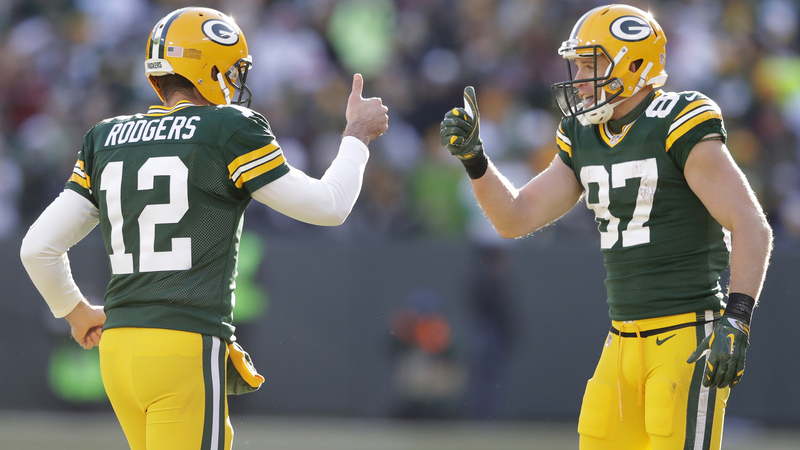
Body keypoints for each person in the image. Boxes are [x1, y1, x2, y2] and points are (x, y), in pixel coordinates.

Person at [20, 6, 387, 450]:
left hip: (118, 351)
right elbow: (329, 207)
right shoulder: (227, 129)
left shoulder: (105, 136)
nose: (236, 82)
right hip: (184, 345)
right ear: (207, 67)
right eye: (231, 70)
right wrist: (356, 137)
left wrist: (76, 313)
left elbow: (37, 248)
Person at [440, 4, 771, 450]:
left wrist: (738, 318)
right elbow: (514, 218)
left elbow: (750, 224)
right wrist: (475, 160)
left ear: (634, 64)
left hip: (686, 336)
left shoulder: (676, 120)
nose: (578, 77)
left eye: (591, 63)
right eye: (576, 64)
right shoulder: (583, 134)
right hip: (620, 340)